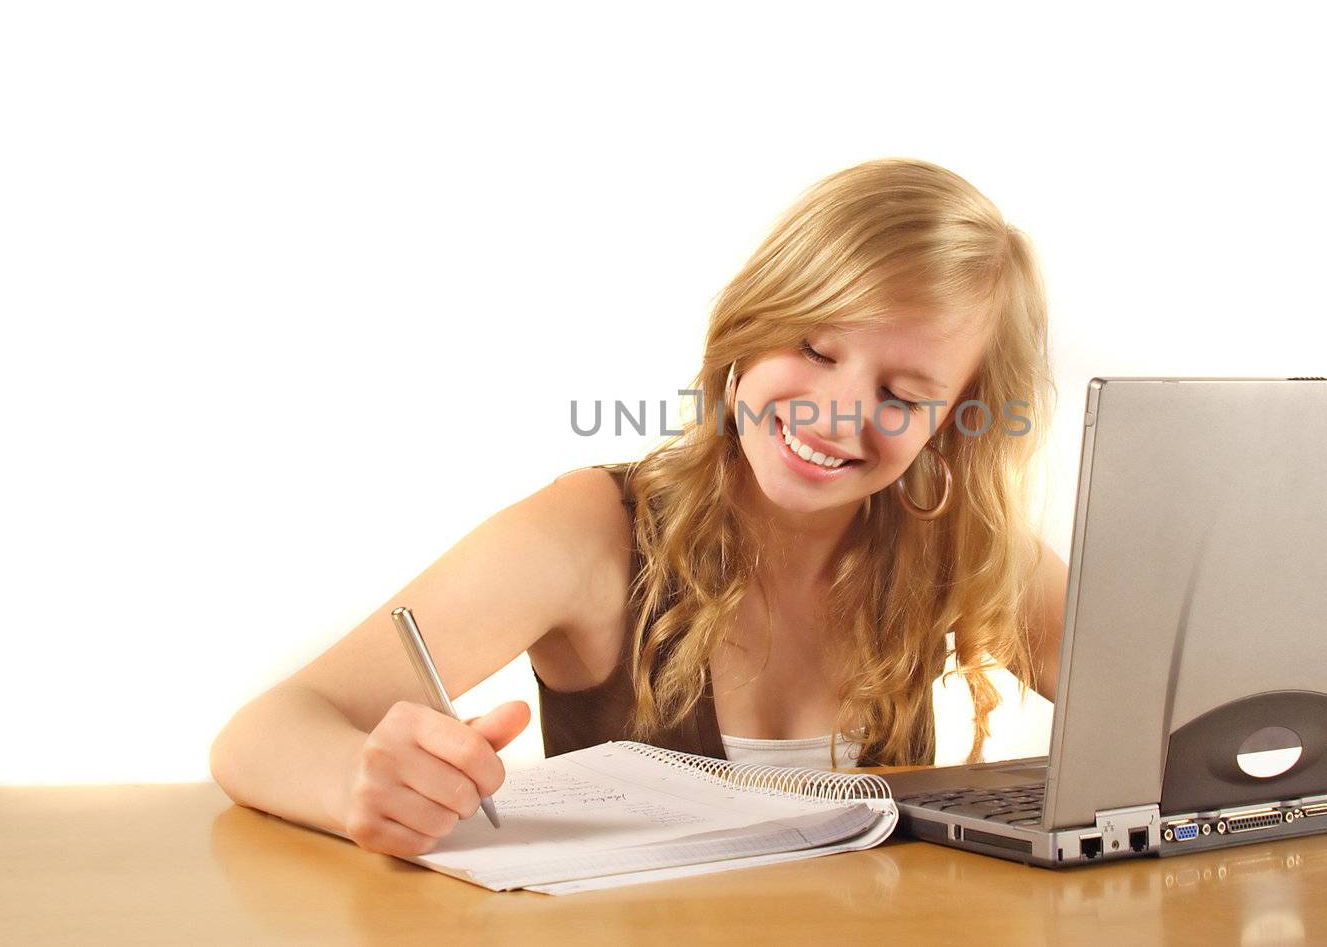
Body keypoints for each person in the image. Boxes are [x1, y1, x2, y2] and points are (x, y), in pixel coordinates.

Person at [209, 157, 1071, 858]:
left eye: (902, 393)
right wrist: (359, 779)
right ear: (750, 325)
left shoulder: (959, 547)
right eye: (813, 346)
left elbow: (1184, 733)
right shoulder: (592, 530)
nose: (835, 412)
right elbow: (260, 734)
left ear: (956, 423)